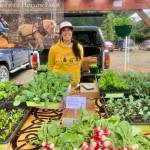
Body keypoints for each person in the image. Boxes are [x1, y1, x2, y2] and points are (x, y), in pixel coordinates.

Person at [48, 21, 84, 86]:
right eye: (64, 30)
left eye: (69, 30)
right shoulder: (54, 49)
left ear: (72, 32)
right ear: (61, 33)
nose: (67, 32)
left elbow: (79, 66)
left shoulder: (79, 47)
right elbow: (50, 67)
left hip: (74, 85)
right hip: (58, 85)